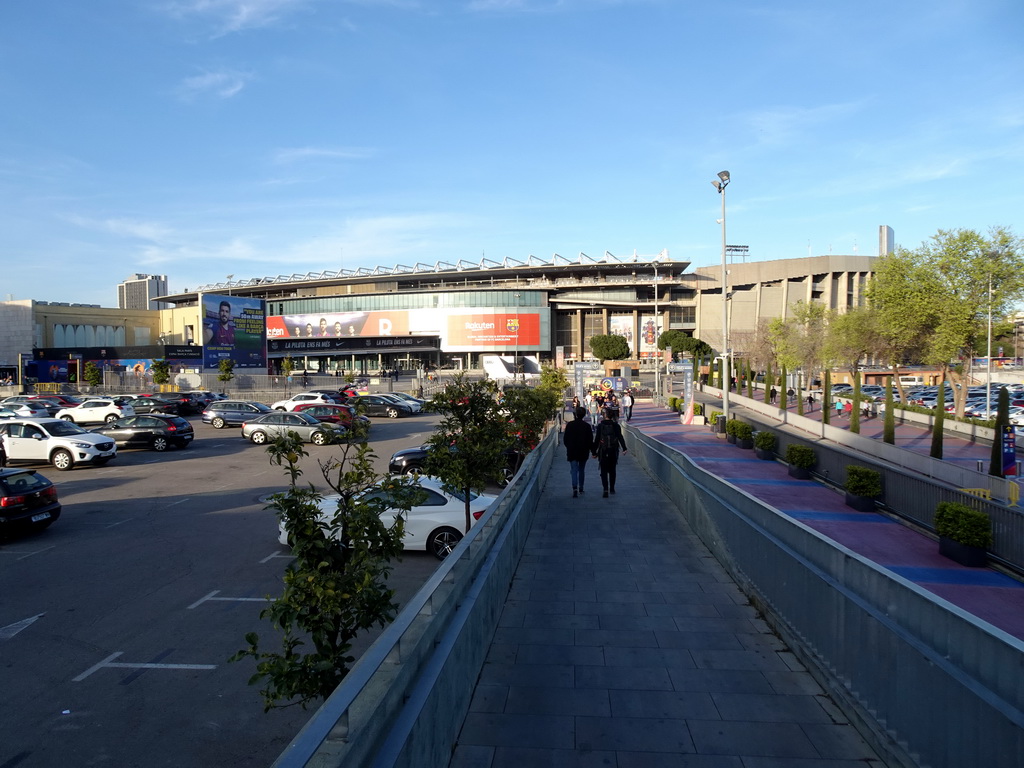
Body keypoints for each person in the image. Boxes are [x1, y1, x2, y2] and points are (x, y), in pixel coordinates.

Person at [592, 408, 627, 498]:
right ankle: (612, 488)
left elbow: (597, 439)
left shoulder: (600, 426)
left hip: (603, 450)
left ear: (604, 415)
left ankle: (605, 489)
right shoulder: (616, 425)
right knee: (612, 470)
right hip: (613, 450)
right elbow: (620, 437)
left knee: (603, 470)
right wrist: (624, 448)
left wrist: (594, 452)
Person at [563, 407, 592, 498]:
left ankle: (574, 487)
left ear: (575, 414)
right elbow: (590, 440)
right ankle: (581, 487)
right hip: (583, 451)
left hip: (572, 451)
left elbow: (565, 439)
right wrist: (593, 451)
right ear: (584, 415)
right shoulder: (587, 426)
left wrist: (569, 447)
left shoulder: (570, 425)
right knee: (581, 469)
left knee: (574, 470)